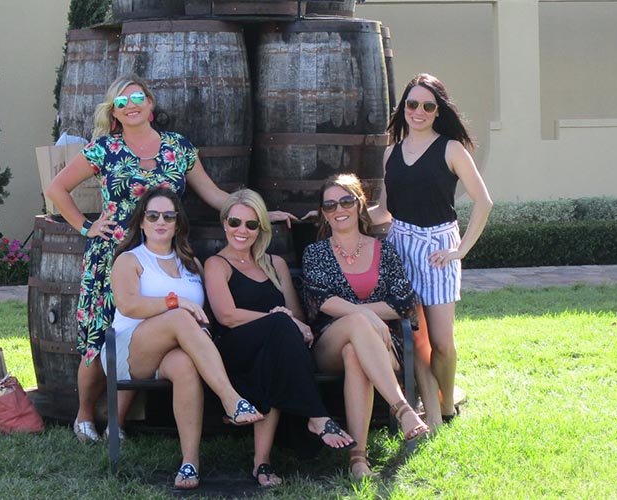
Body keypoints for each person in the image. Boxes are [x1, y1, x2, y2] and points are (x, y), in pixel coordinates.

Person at [45, 75, 296, 443]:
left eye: (136, 97)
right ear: (114, 113)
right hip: (111, 256)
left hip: (164, 255)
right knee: (100, 338)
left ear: (150, 103)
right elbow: (56, 189)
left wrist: (258, 213)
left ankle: (119, 420)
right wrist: (86, 227)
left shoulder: (178, 148)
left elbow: (211, 194)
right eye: (120, 102)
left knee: (153, 333)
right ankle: (84, 415)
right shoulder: (105, 149)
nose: (130, 105)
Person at [103, 187, 264, 489]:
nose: (160, 221)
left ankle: (190, 463)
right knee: (179, 316)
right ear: (142, 222)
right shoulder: (130, 259)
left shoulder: (191, 263)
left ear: (178, 223)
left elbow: (206, 314)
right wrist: (175, 302)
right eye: (153, 215)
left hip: (174, 352)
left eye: (168, 215)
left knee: (186, 367)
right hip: (130, 350)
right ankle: (231, 400)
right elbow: (129, 305)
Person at [204, 189, 356, 488]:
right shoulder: (217, 264)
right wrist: (279, 319)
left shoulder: (276, 264)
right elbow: (227, 316)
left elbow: (295, 315)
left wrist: (290, 322)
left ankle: (262, 464)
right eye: (235, 222)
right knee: (280, 332)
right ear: (225, 223)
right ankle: (316, 415)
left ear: (261, 228)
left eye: (251, 225)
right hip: (235, 351)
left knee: (275, 354)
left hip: (277, 352)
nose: (241, 231)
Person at [372, 73, 492, 431]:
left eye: (427, 105)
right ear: (404, 108)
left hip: (439, 248)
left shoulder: (451, 149)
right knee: (415, 336)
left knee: (442, 341)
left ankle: (447, 403)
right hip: (400, 245)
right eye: (412, 104)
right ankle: (430, 404)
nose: (418, 111)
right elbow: (384, 211)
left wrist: (460, 251)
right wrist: (340, 214)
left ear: (438, 111)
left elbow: (483, 202)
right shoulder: (391, 152)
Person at [302, 174, 430, 480]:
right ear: (323, 212)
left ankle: (358, 459)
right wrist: (369, 317)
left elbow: (403, 303)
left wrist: (363, 318)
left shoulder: (384, 250)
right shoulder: (315, 252)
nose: (338, 209)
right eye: (330, 204)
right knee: (355, 328)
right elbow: (321, 300)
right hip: (329, 342)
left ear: (359, 203)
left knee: (355, 355)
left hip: (381, 346)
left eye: (346, 201)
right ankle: (402, 409)